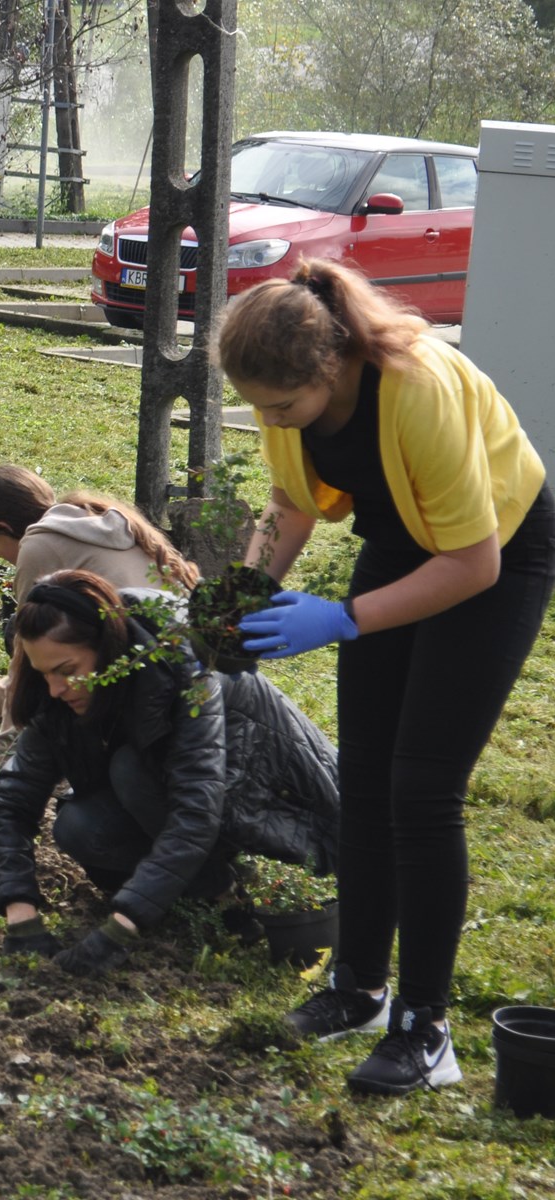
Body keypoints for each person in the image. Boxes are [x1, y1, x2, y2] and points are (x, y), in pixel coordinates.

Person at [213, 259, 555, 1096]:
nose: (269, 420)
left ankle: (424, 1029)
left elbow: (471, 563)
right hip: (404, 543)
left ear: (329, 366)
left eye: (279, 406)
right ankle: (356, 989)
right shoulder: (285, 399)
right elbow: (290, 504)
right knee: (362, 780)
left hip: (497, 556)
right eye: (257, 407)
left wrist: (344, 616)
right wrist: (232, 604)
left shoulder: (415, 386)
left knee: (420, 789)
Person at [0, 570, 340, 978]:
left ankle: (226, 892)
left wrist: (117, 933)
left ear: (107, 649)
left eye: (66, 670)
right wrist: (21, 917)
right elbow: (15, 796)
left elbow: (196, 811)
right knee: (79, 828)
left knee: (129, 771)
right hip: (180, 797)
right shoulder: (57, 688)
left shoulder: (183, 667)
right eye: (44, 673)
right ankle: (184, 890)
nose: (55, 688)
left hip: (271, 801)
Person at [0, 465, 199, 738]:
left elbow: (25, 657)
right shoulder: (88, 519)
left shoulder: (38, 545)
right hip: (179, 666)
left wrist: (7, 745)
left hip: (139, 682)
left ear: (4, 527)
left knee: (30, 630)